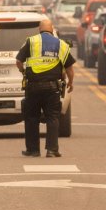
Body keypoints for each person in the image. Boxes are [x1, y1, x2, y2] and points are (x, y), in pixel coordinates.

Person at [16, 19, 75, 157]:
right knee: (52, 118)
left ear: (39, 29)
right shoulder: (61, 44)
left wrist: (24, 72)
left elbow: (19, 62)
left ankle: (33, 150)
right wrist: (70, 82)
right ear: (52, 29)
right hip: (52, 88)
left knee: (31, 118)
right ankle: (52, 150)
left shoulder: (31, 41)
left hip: (33, 87)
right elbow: (69, 68)